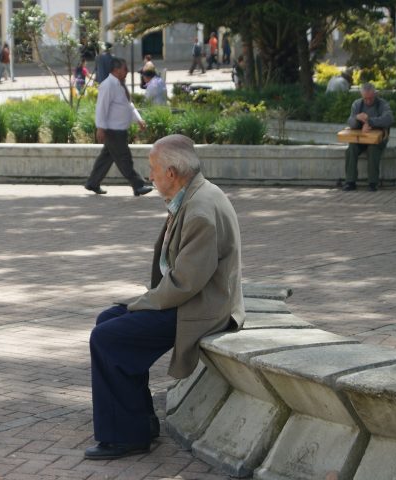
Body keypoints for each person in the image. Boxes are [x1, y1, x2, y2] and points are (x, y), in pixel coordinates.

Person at [84, 133, 245, 460]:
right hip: (192, 298)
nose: (150, 176)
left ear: (172, 173)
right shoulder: (191, 194)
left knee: (107, 337)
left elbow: (186, 283)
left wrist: (140, 304)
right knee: (108, 322)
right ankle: (139, 421)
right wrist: (138, 305)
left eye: (153, 168)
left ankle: (126, 436)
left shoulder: (200, 208)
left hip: (203, 307)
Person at [84, 57, 153, 196]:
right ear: (116, 70)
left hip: (119, 129)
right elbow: (101, 108)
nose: (127, 71)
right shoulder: (108, 85)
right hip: (113, 131)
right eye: (124, 69)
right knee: (124, 158)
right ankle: (138, 185)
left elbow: (127, 105)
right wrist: (100, 128)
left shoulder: (119, 85)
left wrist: (138, 119)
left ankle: (93, 183)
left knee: (106, 158)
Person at [343, 82, 394, 192]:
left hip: (378, 138)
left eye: (370, 98)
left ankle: (372, 183)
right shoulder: (357, 104)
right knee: (351, 148)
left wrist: (370, 121)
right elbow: (350, 122)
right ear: (362, 95)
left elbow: (389, 119)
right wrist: (357, 118)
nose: (368, 101)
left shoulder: (382, 104)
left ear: (375, 94)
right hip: (361, 138)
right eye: (365, 98)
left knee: (373, 149)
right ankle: (350, 181)